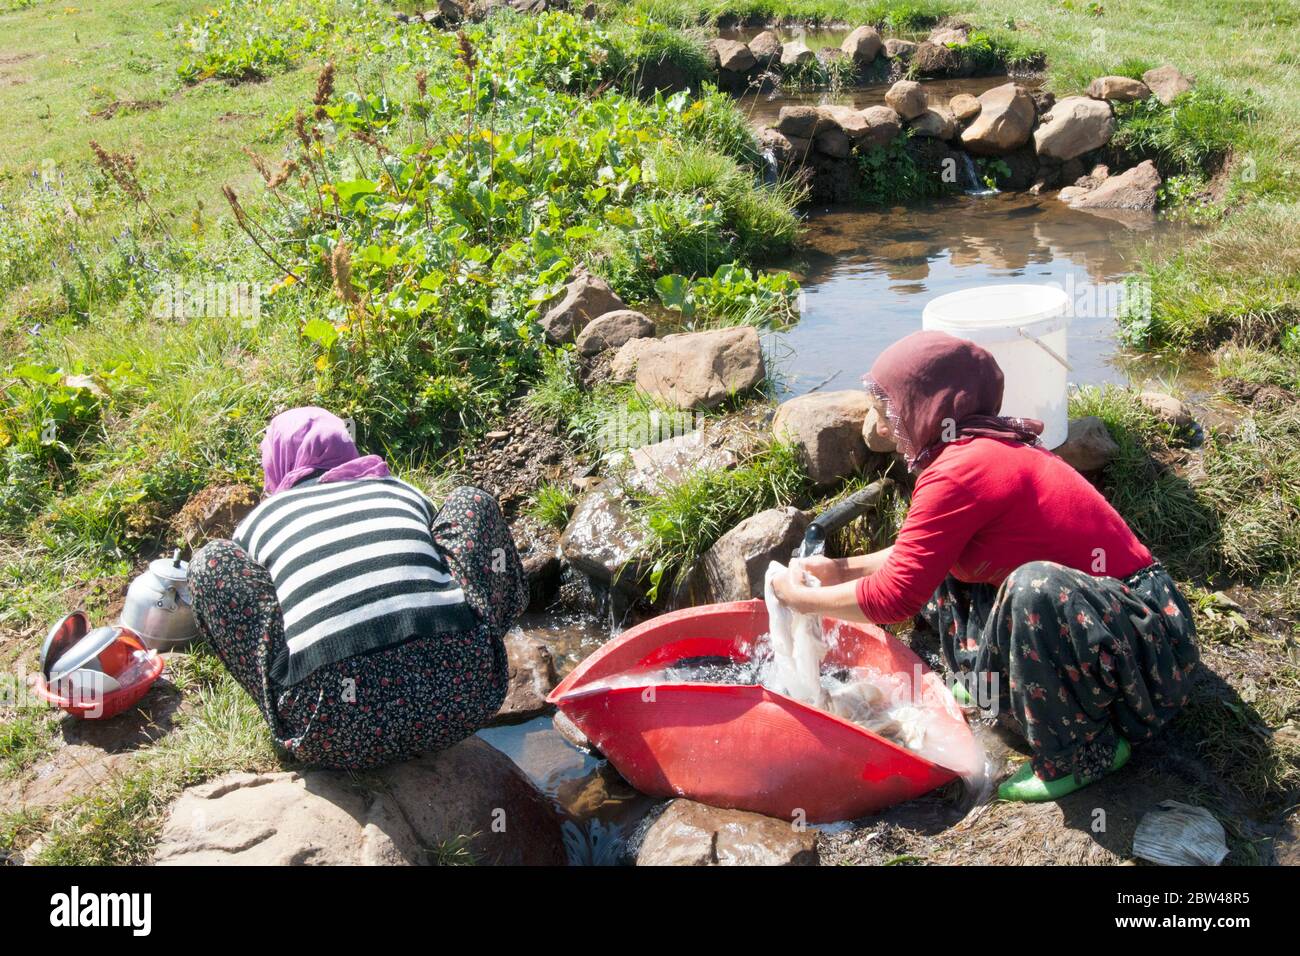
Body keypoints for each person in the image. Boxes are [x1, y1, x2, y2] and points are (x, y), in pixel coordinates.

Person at [771, 331, 1198, 802]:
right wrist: (841, 569)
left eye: (886, 408)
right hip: (1108, 626)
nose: (880, 425)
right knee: (956, 565)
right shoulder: (977, 450)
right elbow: (919, 553)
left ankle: (1083, 752)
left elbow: (896, 598)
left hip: (1147, 656)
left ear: (927, 405)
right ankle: (989, 686)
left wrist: (800, 601)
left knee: (1035, 587)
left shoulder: (961, 469)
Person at [188, 406, 526, 771]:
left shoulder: (260, 522)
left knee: (211, 562)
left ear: (277, 463)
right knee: (472, 501)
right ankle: (480, 643)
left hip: (333, 733)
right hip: (469, 693)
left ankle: (285, 715)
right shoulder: (399, 490)